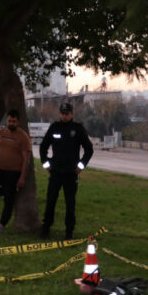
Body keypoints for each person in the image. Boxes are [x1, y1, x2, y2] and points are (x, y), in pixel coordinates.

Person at [38, 103, 93, 240]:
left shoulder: (78, 129)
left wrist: (81, 166)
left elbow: (89, 149)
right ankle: (46, 229)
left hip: (71, 173)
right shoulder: (54, 127)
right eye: (62, 113)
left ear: (72, 114)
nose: (64, 115)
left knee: (70, 203)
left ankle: (69, 232)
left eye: (66, 113)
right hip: (55, 172)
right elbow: (43, 146)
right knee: (50, 201)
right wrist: (46, 163)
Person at [0, 109, 31, 234]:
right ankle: (4, 192)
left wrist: (22, 177)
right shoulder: (1, 133)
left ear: (18, 122)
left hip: (13, 173)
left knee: (9, 200)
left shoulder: (23, 136)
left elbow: (26, 159)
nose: (11, 123)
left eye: (13, 121)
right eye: (9, 121)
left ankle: (2, 225)